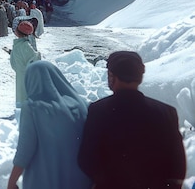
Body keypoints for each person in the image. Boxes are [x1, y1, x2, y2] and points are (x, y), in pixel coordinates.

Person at [78, 51, 186, 189]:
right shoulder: (166, 112)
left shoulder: (98, 110)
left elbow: (86, 159)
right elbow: (177, 164)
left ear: (112, 77)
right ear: (140, 78)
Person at [6, 61, 92, 189]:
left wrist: (11, 182)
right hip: (80, 180)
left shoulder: (32, 107)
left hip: (44, 180)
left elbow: (25, 149)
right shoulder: (81, 105)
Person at [9, 20, 40, 106]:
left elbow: (34, 58)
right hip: (22, 74)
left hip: (24, 75)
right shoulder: (21, 45)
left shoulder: (25, 46)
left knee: (23, 94)